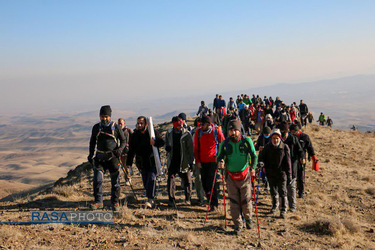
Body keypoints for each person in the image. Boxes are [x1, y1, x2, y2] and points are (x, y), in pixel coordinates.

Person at [217, 120, 257, 235]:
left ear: (239, 131)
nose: (233, 132)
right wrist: (220, 162)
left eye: (235, 130)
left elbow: (254, 156)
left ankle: (248, 218)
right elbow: (219, 157)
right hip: (231, 177)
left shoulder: (246, 141)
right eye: (230, 130)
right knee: (234, 202)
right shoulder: (224, 144)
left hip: (245, 176)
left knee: (246, 200)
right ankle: (238, 225)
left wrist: (253, 168)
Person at [88, 105, 126, 211]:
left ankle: (115, 202)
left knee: (115, 181)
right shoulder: (96, 127)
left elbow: (123, 141)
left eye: (106, 116)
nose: (104, 119)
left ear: (110, 116)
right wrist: (91, 155)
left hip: (113, 158)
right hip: (99, 157)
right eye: (102, 116)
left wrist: (119, 150)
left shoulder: (116, 127)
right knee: (97, 180)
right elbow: (92, 142)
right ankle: (98, 201)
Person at [126, 116, 165, 208]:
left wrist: (155, 143)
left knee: (151, 179)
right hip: (141, 163)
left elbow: (162, 142)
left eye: (141, 123)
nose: (139, 125)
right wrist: (129, 163)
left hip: (152, 162)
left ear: (146, 124)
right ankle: (150, 196)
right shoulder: (135, 135)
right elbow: (131, 150)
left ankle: (150, 199)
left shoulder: (152, 133)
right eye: (138, 123)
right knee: (145, 181)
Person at [258, 129, 292, 219]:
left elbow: (288, 163)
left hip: (282, 173)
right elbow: (261, 157)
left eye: (277, 138)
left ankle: (283, 210)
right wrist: (261, 163)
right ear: (271, 138)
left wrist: (289, 175)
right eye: (273, 138)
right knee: (273, 191)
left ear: (280, 138)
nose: (275, 140)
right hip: (271, 173)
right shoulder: (267, 147)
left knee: (282, 192)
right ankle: (274, 206)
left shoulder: (284, 147)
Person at [194, 115, 225, 211]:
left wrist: (220, 158)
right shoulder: (198, 133)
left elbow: (223, 144)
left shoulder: (216, 131)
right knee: (204, 184)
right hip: (202, 162)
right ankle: (209, 199)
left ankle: (214, 204)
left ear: (208, 124)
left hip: (213, 161)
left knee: (212, 183)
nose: (200, 126)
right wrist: (198, 161)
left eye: (202, 125)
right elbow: (196, 149)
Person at [165, 116, 194, 206]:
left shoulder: (187, 134)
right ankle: (171, 200)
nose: (181, 127)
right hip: (173, 160)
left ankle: (188, 199)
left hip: (184, 160)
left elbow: (191, 149)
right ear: (174, 125)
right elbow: (165, 143)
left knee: (187, 180)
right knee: (171, 180)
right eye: (179, 125)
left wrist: (192, 162)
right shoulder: (169, 133)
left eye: (181, 125)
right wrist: (167, 147)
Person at [278, 122, 303, 212]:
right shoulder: (278, 139)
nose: (281, 132)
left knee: (291, 186)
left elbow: (300, 150)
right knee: (282, 187)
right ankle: (283, 206)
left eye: (283, 131)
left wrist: (302, 157)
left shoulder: (293, 139)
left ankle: (292, 206)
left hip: (292, 165)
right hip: (281, 166)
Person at [290, 124, 318, 198]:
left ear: (298, 130)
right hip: (291, 158)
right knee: (292, 175)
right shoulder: (290, 137)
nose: (293, 133)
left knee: (300, 175)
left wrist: (313, 156)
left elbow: (309, 147)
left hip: (301, 159)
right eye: (291, 132)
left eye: (294, 132)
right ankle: (292, 190)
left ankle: (301, 192)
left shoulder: (305, 137)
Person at [118, 118, 133, 186]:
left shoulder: (129, 131)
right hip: (121, 151)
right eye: (119, 123)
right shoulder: (117, 131)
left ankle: (128, 178)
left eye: (121, 123)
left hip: (128, 151)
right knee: (123, 166)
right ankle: (126, 177)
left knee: (127, 165)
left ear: (124, 123)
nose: (120, 125)